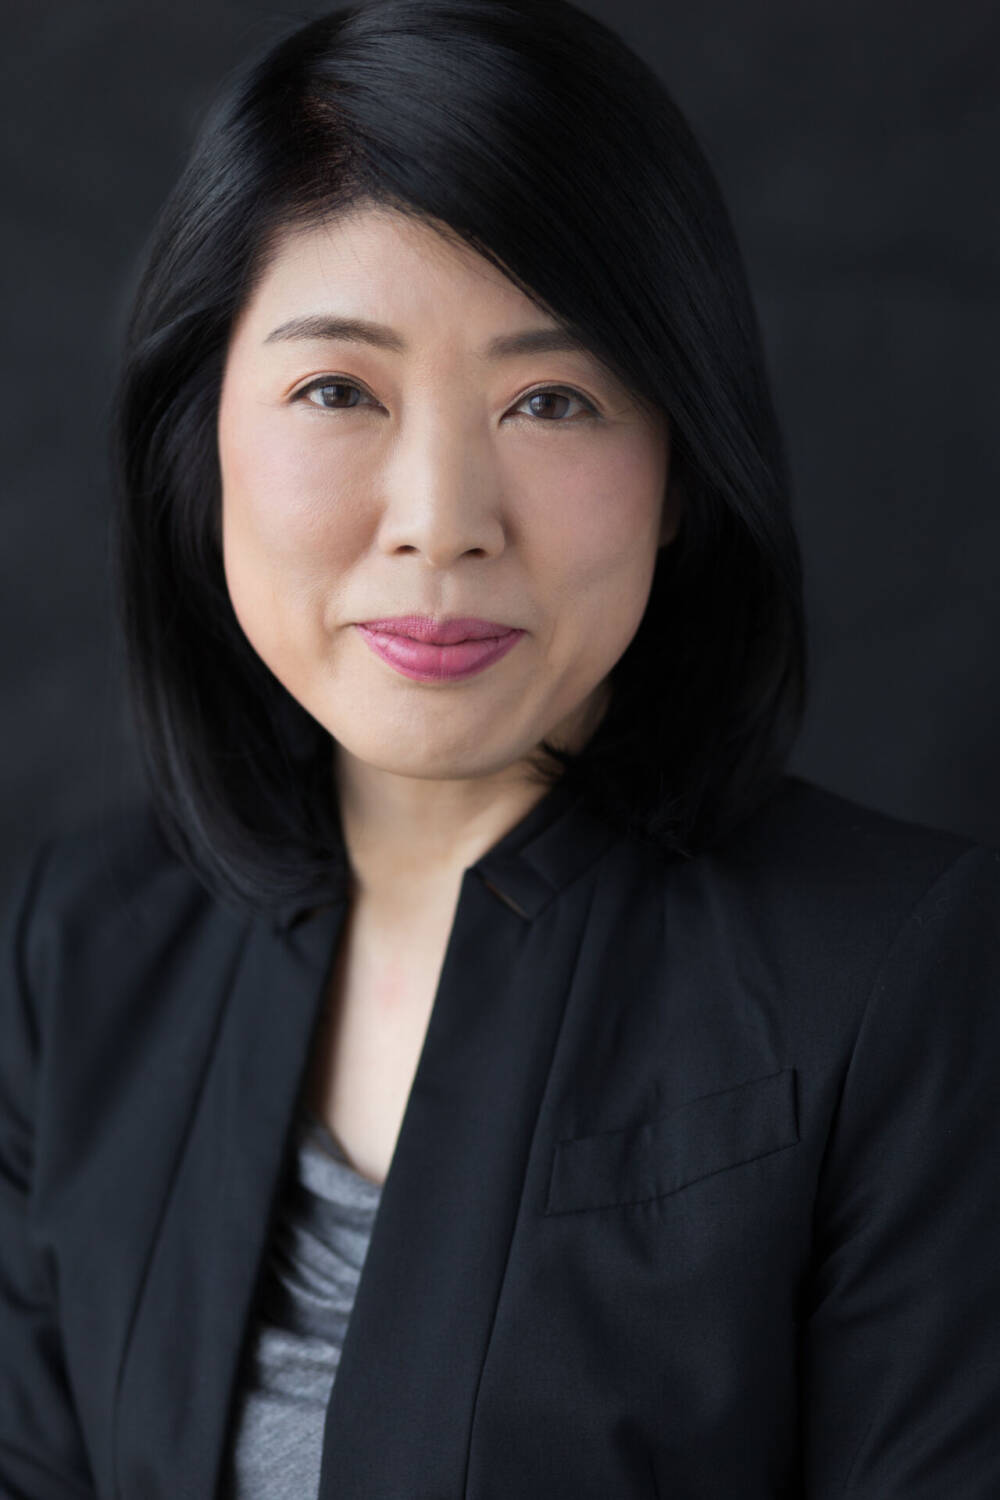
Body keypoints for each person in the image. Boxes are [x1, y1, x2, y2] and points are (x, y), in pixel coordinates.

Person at [2, 0, 999, 1495]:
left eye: (551, 398)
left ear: (680, 469)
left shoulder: (904, 979)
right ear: (199, 438)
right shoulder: (70, 953)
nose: (441, 516)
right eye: (338, 389)